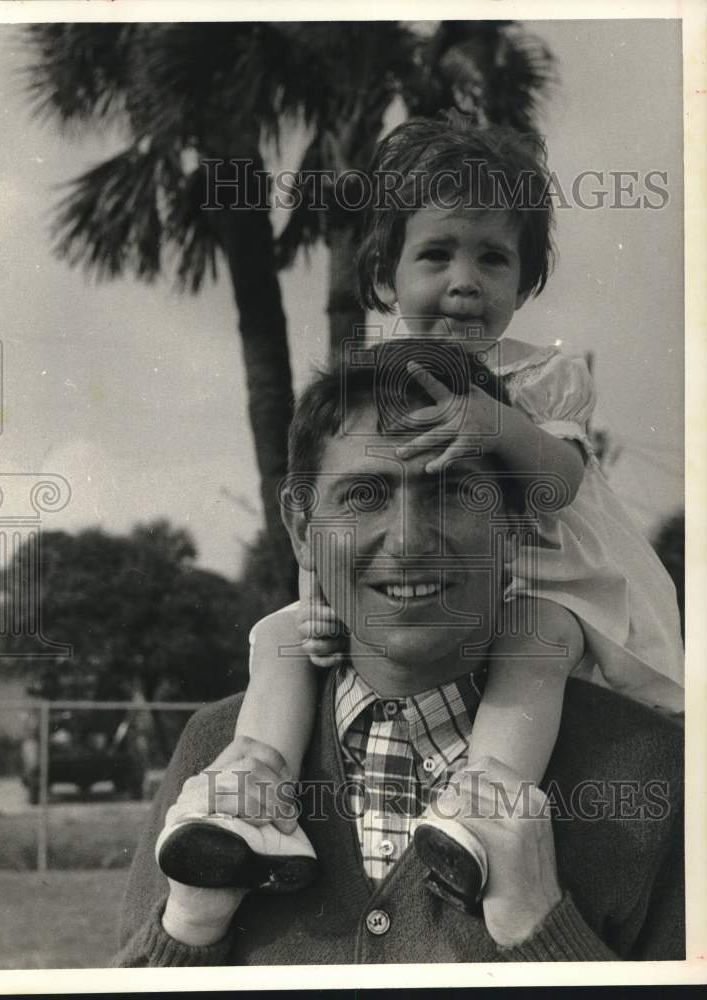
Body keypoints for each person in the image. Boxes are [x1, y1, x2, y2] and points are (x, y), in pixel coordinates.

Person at [155, 112, 684, 910]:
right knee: (277, 635)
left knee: (532, 639)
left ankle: (485, 800)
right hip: (421, 575)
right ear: (386, 276)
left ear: (525, 282)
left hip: (549, 574)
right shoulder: (373, 379)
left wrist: (494, 422)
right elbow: (335, 508)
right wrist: (317, 598)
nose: (465, 281)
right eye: (437, 254)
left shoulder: (538, 379)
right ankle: (253, 790)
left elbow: (563, 481)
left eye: (493, 259)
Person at [115, 341, 684, 965]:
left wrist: (540, 932)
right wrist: (190, 928)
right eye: (364, 495)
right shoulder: (213, 751)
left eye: (452, 491)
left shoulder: (653, 772)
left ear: (518, 522)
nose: (409, 541)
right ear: (303, 530)